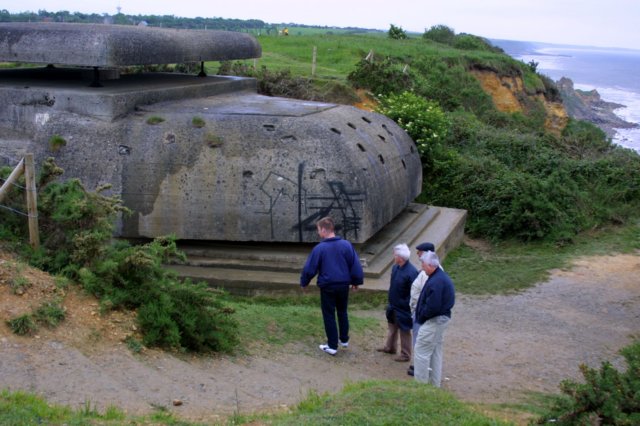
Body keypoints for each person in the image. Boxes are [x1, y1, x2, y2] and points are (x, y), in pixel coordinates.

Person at [300, 216, 364, 356]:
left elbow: (310, 268)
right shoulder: (346, 245)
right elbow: (354, 264)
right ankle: (344, 339)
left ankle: (332, 345)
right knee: (342, 311)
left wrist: (304, 282)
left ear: (323, 229)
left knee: (329, 314)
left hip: (328, 286)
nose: (318, 233)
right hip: (343, 285)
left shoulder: (320, 248)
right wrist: (356, 281)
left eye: (318, 230)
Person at [414, 250, 455, 387]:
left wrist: (422, 315)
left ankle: (420, 386)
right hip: (441, 320)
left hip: (434, 321)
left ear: (431, 265)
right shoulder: (439, 278)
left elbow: (433, 307)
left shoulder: (436, 281)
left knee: (421, 352)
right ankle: (433, 384)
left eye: (423, 265)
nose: (422, 268)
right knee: (435, 351)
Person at [377, 243, 418, 362]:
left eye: (395, 255)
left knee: (404, 330)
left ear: (400, 257)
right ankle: (390, 347)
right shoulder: (395, 268)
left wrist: (405, 305)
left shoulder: (411, 272)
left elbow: (413, 293)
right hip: (393, 304)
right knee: (392, 327)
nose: (393, 257)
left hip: (403, 307)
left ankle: (406, 354)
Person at [407, 242, 435, 376]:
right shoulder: (425, 271)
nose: (417, 255)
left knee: (420, 340)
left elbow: (426, 294)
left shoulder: (428, 273)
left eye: (419, 253)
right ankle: (417, 365)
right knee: (417, 340)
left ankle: (420, 368)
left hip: (421, 313)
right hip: (417, 311)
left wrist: (420, 312)